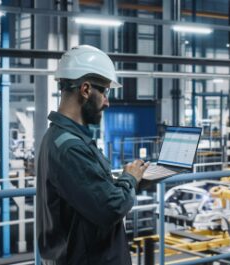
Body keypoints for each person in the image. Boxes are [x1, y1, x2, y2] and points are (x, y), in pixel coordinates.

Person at [37, 45, 149, 265]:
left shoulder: (59, 138)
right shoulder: (70, 147)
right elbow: (111, 208)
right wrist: (129, 179)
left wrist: (131, 181)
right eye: (105, 92)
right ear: (86, 89)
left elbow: (89, 193)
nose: (107, 101)